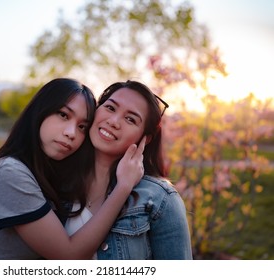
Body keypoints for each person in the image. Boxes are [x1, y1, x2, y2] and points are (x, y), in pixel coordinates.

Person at [0, 78, 145, 259]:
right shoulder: (8, 172)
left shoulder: (49, 173)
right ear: (40, 111)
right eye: (63, 115)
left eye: (82, 127)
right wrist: (123, 187)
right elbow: (67, 256)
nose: (71, 133)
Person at [65, 80, 193, 259]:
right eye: (110, 108)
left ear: (145, 139)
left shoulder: (159, 200)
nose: (114, 121)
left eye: (130, 119)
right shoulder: (58, 180)